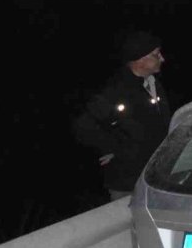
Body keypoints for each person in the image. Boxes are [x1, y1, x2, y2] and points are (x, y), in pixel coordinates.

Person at [73, 31, 172, 201]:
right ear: (140, 59)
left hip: (157, 179)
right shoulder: (115, 90)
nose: (162, 58)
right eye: (156, 55)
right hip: (127, 183)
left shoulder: (154, 84)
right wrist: (114, 149)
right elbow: (83, 126)